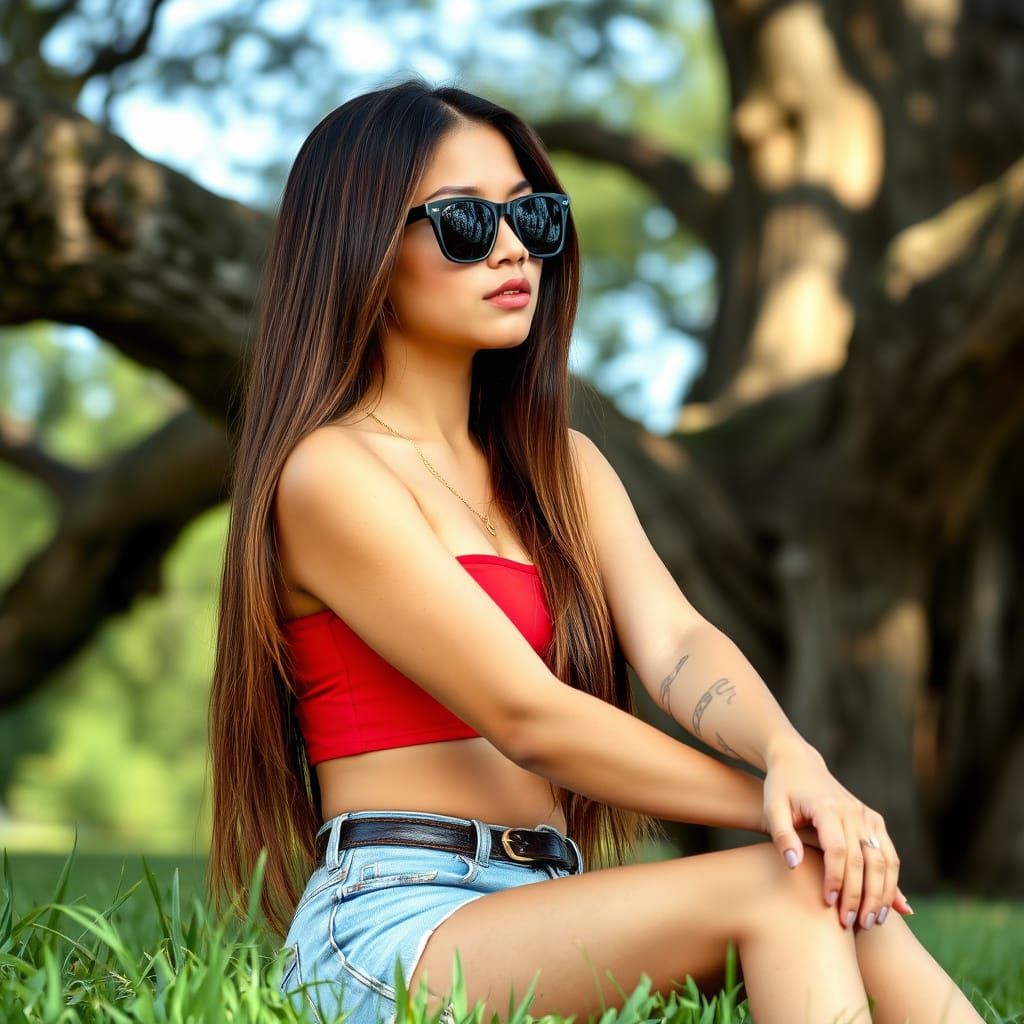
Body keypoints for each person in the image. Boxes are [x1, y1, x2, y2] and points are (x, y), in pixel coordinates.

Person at [206, 76, 984, 1024]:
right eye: (461, 222)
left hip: (542, 904)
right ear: (361, 245)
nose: (510, 249)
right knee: (792, 872)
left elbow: (679, 646)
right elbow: (528, 715)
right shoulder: (330, 474)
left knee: (822, 879)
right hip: (393, 925)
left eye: (531, 216)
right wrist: (783, 807)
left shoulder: (563, 467)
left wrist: (793, 757)